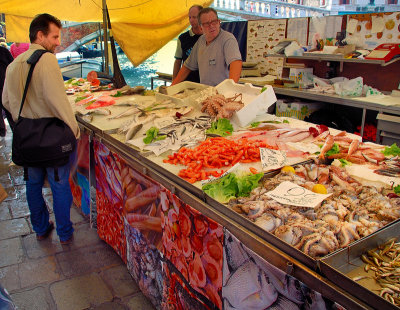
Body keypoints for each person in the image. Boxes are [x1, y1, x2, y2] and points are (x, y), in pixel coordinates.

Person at [2, 13, 80, 245]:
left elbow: (6, 101)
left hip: (27, 136)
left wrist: (24, 118)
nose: (58, 42)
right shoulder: (46, 59)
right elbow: (58, 101)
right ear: (40, 35)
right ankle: (65, 233)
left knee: (33, 183)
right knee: (59, 183)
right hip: (50, 138)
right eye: (55, 37)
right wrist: (74, 129)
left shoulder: (14, 63)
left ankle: (40, 228)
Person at [171, 7, 242, 87]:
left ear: (219, 22)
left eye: (214, 22)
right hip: (205, 92)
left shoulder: (228, 39)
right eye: (206, 24)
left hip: (223, 93)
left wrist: (230, 88)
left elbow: (236, 63)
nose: (211, 26)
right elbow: (187, 67)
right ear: (201, 27)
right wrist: (172, 86)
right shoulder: (200, 41)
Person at [172, 5, 203, 83]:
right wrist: (174, 81)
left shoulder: (208, 37)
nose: (191, 20)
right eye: (189, 17)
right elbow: (178, 61)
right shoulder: (182, 38)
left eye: (194, 17)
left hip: (204, 82)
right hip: (187, 82)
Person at [0, 44, 14, 136]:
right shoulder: (3, 51)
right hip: (5, 86)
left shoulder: (3, 51)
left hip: (6, 87)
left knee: (10, 111)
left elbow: (12, 66)